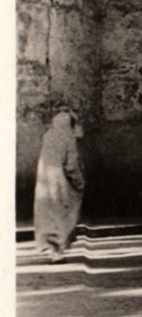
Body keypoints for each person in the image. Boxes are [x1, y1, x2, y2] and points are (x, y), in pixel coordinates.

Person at [33, 110, 85, 262]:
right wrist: (79, 182)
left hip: (44, 182)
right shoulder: (68, 138)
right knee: (62, 216)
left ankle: (48, 247)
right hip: (61, 183)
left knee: (47, 215)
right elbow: (71, 165)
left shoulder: (48, 136)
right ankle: (57, 252)